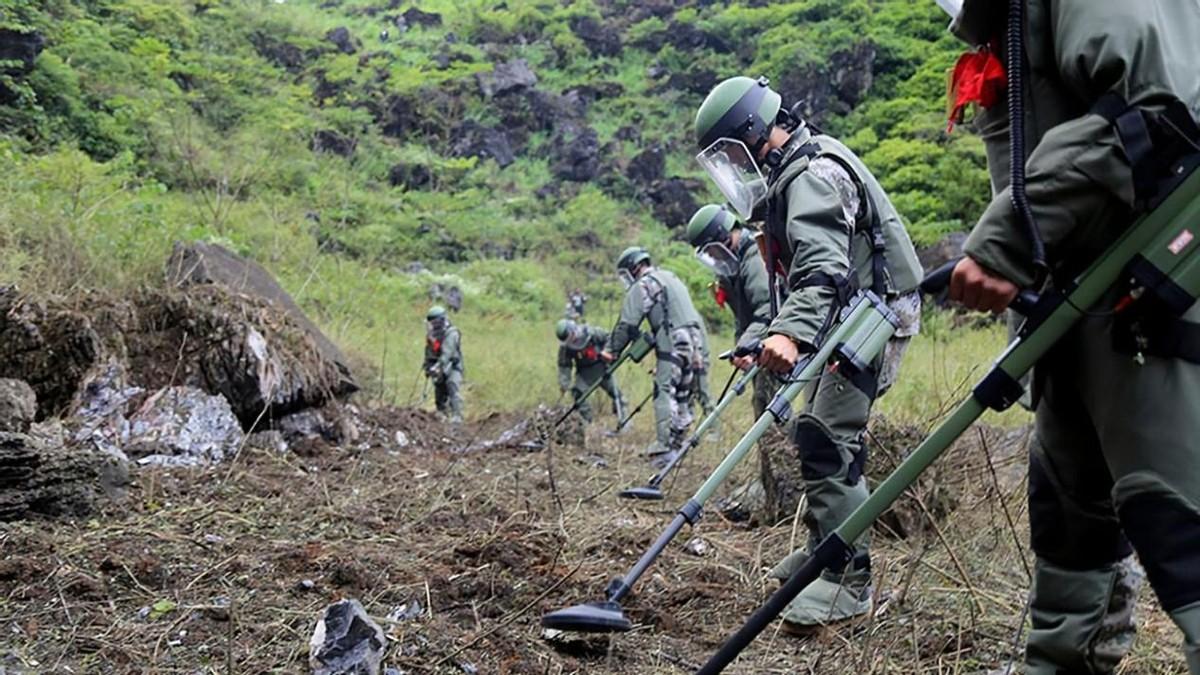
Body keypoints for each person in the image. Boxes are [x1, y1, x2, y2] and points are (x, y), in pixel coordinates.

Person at [945, 1, 1200, 672]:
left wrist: (1013, 234)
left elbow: (1159, 111)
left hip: (1159, 290)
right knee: (1068, 520)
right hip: (1076, 301)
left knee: (1183, 530)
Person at [694, 75, 923, 631]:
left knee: (827, 433)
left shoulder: (814, 174)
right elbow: (799, 279)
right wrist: (769, 335)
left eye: (730, 152)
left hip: (875, 315)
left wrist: (790, 335)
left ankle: (849, 580)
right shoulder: (792, 171)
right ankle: (828, 549)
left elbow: (823, 266)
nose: (733, 167)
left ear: (753, 131)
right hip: (846, 312)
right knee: (816, 432)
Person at [686, 203, 804, 523]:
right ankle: (773, 487)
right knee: (764, 411)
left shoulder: (754, 259)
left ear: (728, 235)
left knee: (774, 415)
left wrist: (747, 344)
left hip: (780, 344)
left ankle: (788, 492)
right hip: (761, 347)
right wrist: (742, 347)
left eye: (714, 249)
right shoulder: (730, 268)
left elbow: (767, 311)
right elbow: (744, 318)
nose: (714, 258)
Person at [602, 246, 709, 462]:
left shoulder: (644, 284)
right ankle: (678, 444)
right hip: (695, 341)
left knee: (664, 390)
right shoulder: (671, 278)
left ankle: (664, 448)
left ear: (635, 267)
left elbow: (627, 322)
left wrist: (611, 350)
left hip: (673, 341)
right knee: (682, 394)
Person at [555, 318, 625, 423]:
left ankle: (623, 419)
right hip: (584, 372)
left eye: (570, 337)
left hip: (602, 367)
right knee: (578, 395)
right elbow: (564, 365)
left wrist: (608, 352)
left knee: (617, 395)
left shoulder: (592, 333)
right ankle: (587, 421)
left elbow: (610, 339)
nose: (570, 341)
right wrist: (564, 384)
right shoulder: (566, 348)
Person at [423, 305, 464, 424]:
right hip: (439, 368)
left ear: (442, 320)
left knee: (452, 387)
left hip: (452, 367)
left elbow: (447, 353)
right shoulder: (432, 335)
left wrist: (438, 366)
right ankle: (442, 418)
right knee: (439, 393)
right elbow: (429, 352)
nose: (433, 325)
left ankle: (457, 418)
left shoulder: (452, 333)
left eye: (435, 322)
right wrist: (428, 366)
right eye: (432, 322)